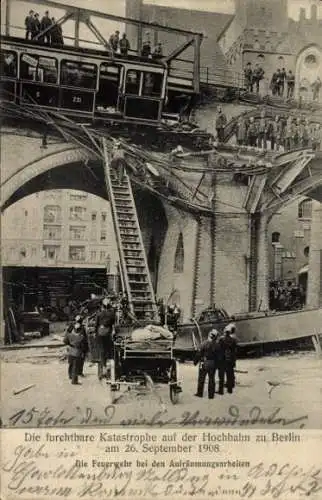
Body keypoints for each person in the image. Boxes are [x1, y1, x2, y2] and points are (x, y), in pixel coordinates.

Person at [194, 329, 220, 399]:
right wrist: (217, 365)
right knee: (212, 379)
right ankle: (211, 395)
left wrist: (195, 362)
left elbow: (199, 354)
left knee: (201, 378)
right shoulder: (217, 345)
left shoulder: (204, 343)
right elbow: (219, 356)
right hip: (213, 363)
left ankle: (200, 393)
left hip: (204, 362)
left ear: (209, 335)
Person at [95, 297, 116, 380]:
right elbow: (113, 323)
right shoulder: (112, 313)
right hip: (108, 333)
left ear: (102, 306)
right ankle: (108, 368)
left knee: (101, 351)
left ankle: (102, 369)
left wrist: (95, 332)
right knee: (109, 350)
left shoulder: (99, 314)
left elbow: (96, 324)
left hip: (100, 333)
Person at [64, 320, 88, 385]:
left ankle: (70, 376)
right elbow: (84, 345)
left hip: (70, 351)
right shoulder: (81, 337)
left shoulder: (69, 335)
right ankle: (74, 381)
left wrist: (70, 344)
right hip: (77, 352)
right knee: (76, 366)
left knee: (71, 364)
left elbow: (65, 341)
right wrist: (84, 351)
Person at [218, 324, 237, 395]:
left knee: (221, 376)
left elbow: (218, 349)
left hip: (222, 359)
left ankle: (221, 391)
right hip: (230, 359)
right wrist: (234, 360)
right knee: (230, 374)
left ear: (225, 332)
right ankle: (230, 390)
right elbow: (235, 350)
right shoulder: (233, 340)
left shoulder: (221, 339)